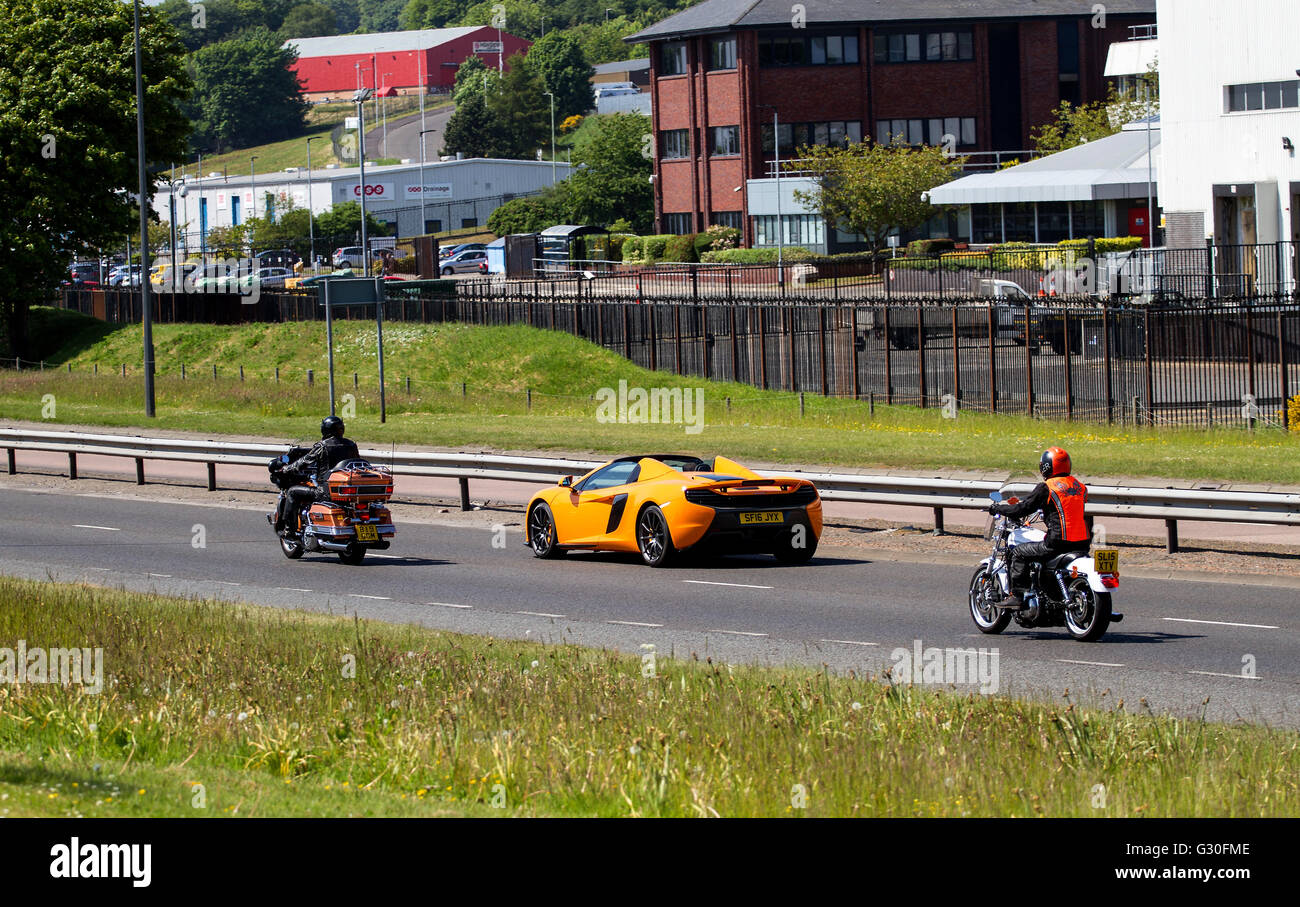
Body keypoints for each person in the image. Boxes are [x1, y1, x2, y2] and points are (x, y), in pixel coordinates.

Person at [988, 447, 1090, 611]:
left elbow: (1023, 509)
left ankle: (1017, 596)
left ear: (1046, 467)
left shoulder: (1047, 487)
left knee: (1018, 553)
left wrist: (998, 508)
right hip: (1082, 543)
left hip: (1057, 543)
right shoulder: (1080, 487)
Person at [273, 416, 361, 534]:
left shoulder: (323, 446)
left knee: (292, 492)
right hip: (345, 491)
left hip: (325, 492)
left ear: (325, 430)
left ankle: (289, 531)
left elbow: (303, 462)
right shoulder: (351, 445)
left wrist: (286, 469)